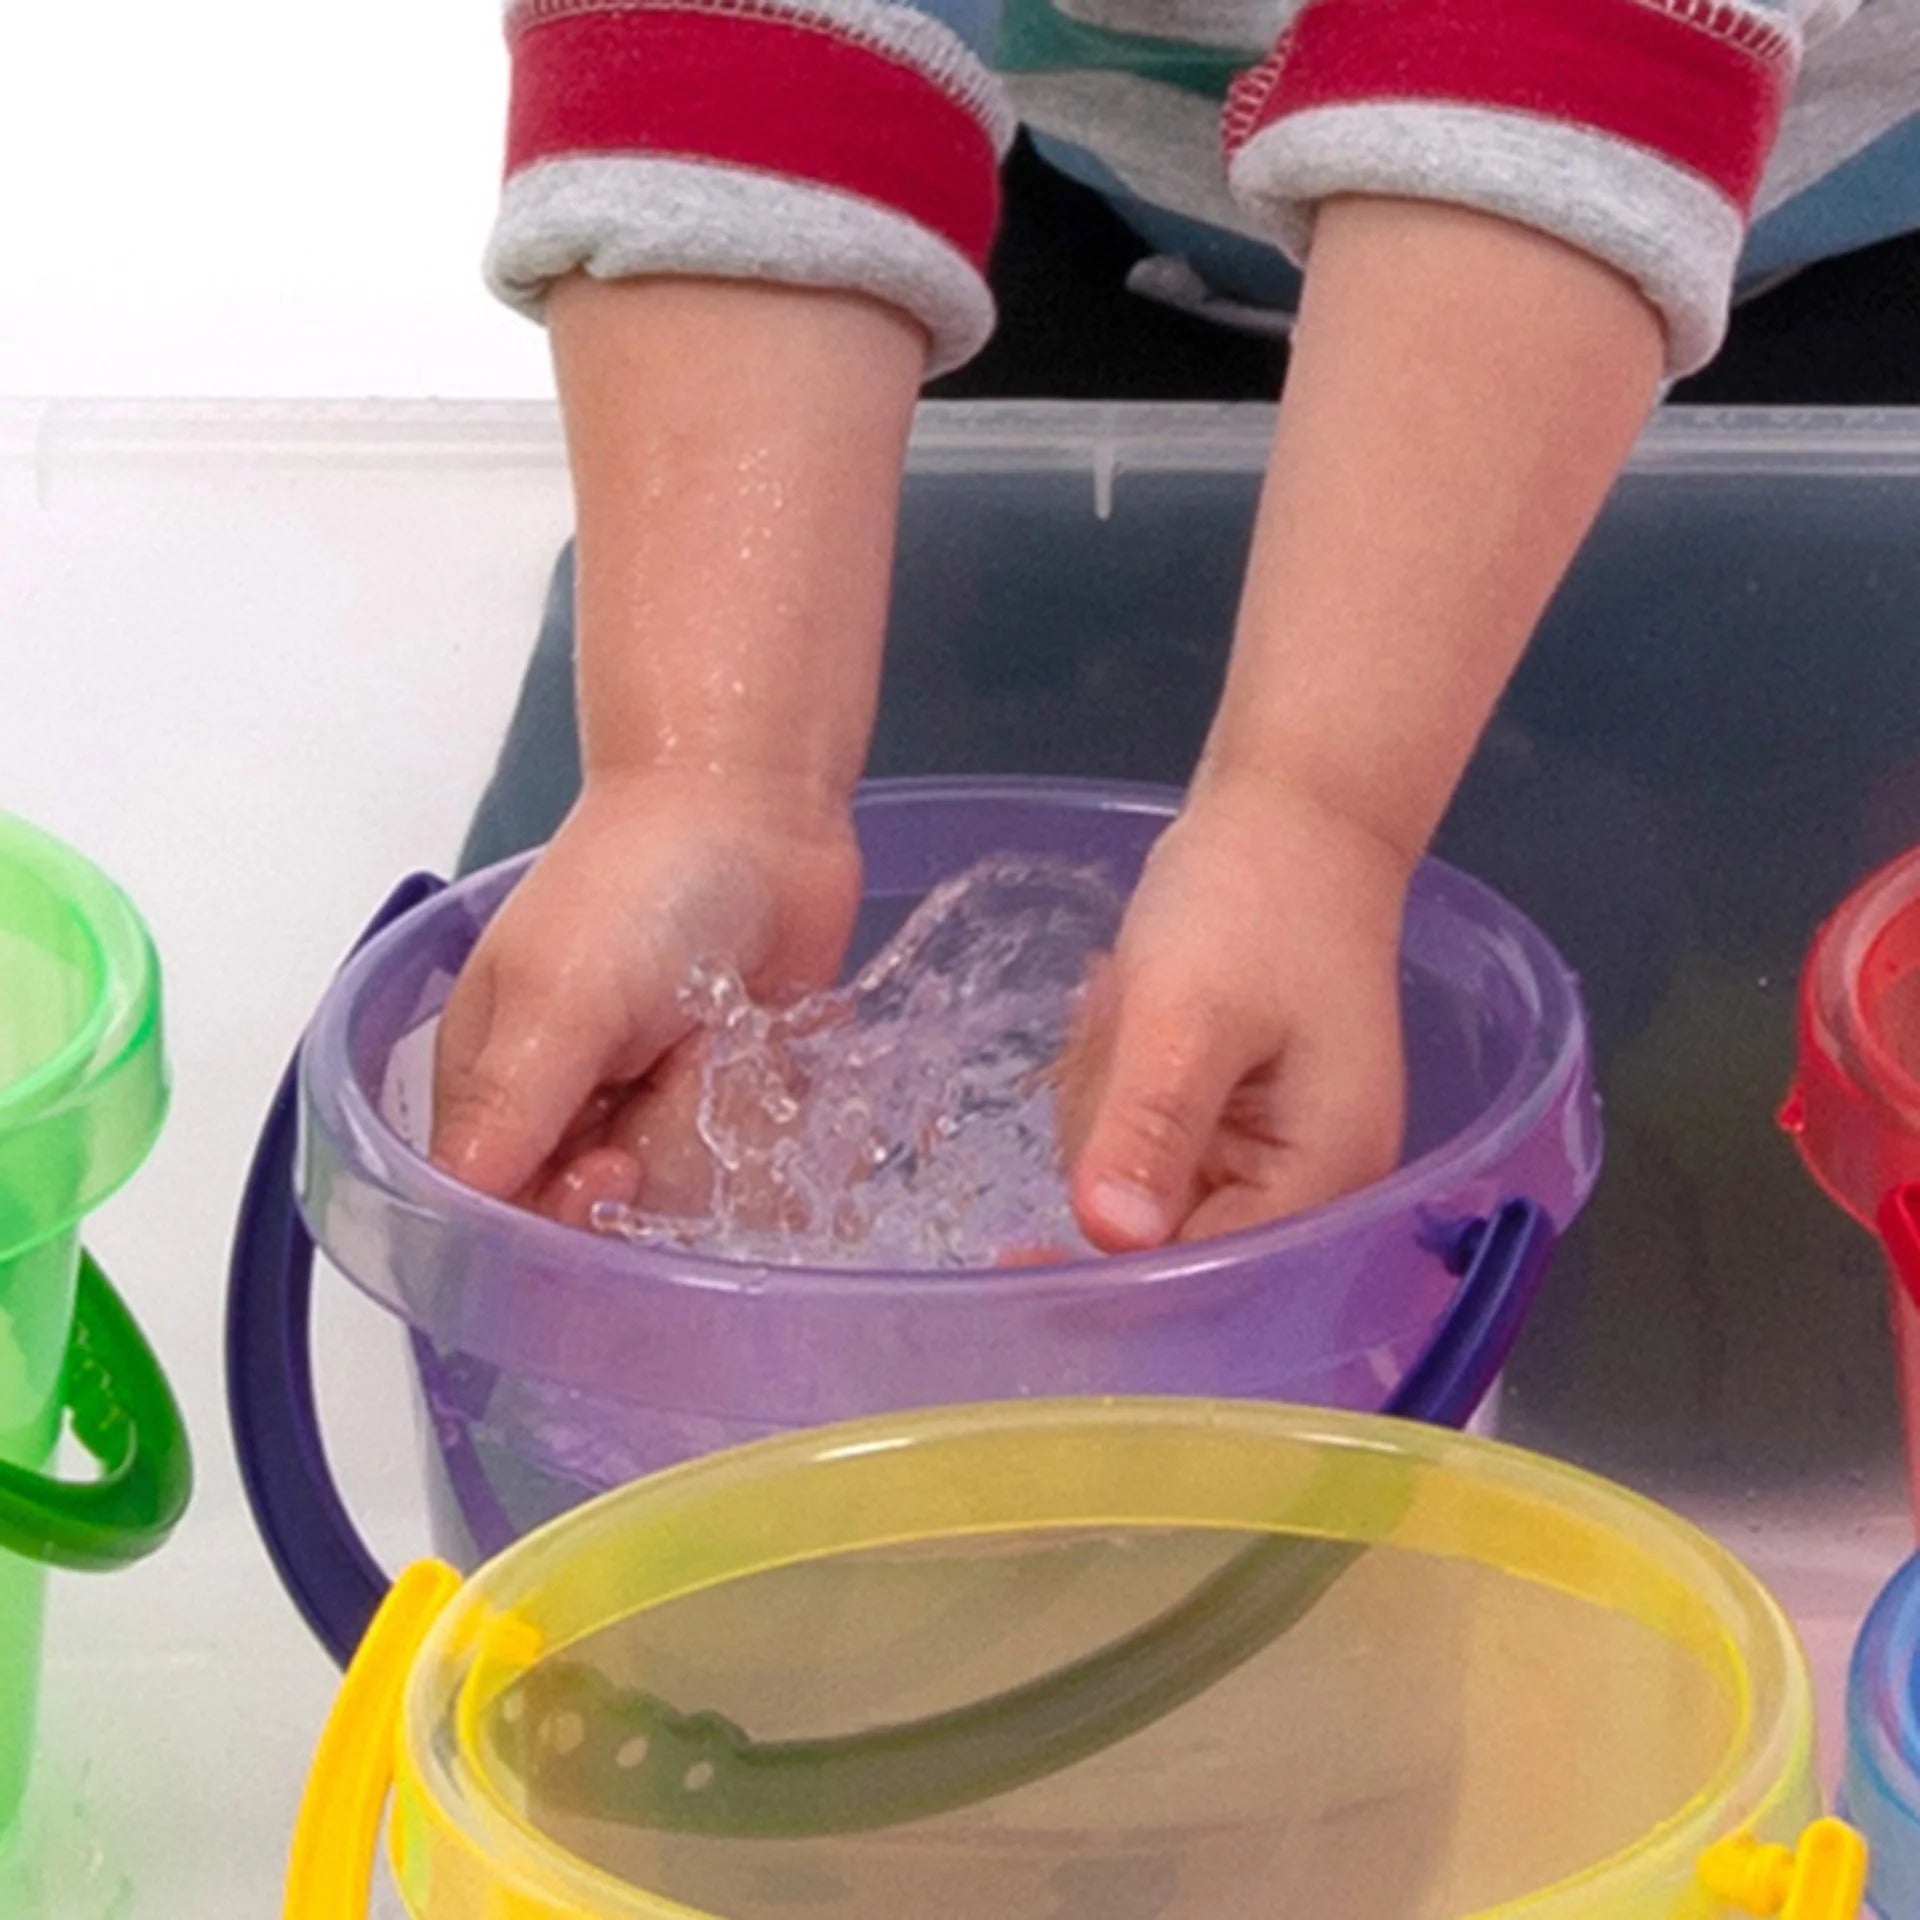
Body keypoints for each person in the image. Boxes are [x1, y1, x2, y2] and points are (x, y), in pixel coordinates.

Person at [430, 0, 1920, 1252]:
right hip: (1079, 210)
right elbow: (746, 38)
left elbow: (1549, 53)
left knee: (1743, 1279)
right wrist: (710, 772)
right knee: (628, 1039)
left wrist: (1315, 814)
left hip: (1824, 249)